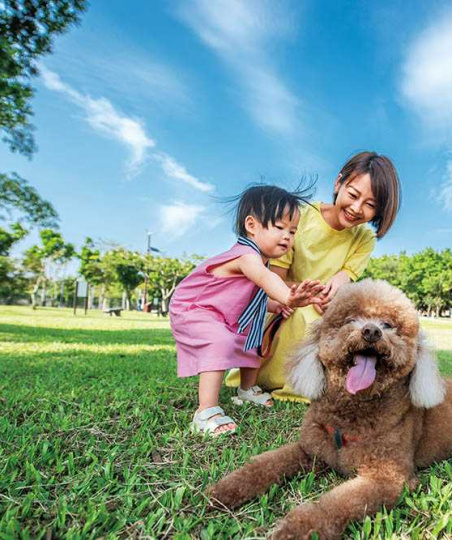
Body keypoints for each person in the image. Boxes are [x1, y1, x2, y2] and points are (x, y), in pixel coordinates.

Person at [226, 151, 401, 402]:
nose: (356, 208)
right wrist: (310, 296)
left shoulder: (363, 239)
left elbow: (343, 280)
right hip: (283, 304)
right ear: (338, 182)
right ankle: (289, 383)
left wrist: (334, 292)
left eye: (370, 205)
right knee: (307, 318)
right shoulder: (299, 216)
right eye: (353, 195)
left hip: (324, 308)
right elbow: (273, 281)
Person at [169, 184, 325, 437]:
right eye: (279, 227)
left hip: (222, 315)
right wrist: (289, 296)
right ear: (252, 225)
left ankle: (246, 390)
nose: (287, 236)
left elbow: (253, 295)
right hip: (194, 309)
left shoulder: (260, 259)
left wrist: (278, 304)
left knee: (250, 342)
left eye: (293, 231)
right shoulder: (246, 256)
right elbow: (265, 279)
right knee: (218, 342)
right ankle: (205, 411)